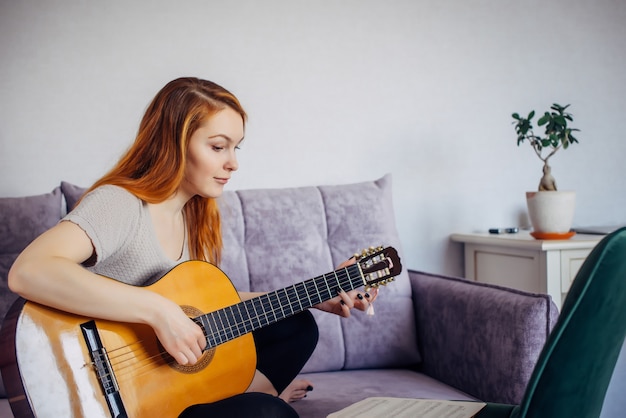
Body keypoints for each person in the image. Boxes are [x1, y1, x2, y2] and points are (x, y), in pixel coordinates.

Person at [8, 77, 377, 417]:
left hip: (167, 391)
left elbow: (207, 311)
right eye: (218, 146)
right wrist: (159, 311)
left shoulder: (194, 216)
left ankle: (257, 397)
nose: (232, 163)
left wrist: (312, 295)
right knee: (272, 416)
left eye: (235, 148)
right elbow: (29, 270)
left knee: (295, 326)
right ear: (174, 143)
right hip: (113, 398)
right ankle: (263, 404)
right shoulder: (120, 203)